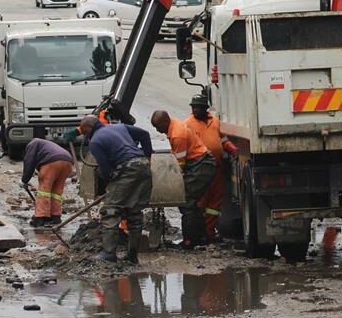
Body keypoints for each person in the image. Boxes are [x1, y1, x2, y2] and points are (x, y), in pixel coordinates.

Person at [79, 115, 152, 264]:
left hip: (127, 170)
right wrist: (148, 157)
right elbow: (145, 135)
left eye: (83, 131)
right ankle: (132, 255)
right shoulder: (119, 127)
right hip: (143, 167)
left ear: (88, 129)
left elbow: (105, 169)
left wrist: (110, 185)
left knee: (111, 210)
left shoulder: (95, 141)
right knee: (134, 212)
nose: (83, 134)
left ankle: (109, 254)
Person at [150, 110, 216, 248]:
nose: (158, 131)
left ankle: (189, 241)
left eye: (158, 127)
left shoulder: (177, 135)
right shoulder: (175, 125)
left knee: (185, 201)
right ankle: (202, 237)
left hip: (201, 165)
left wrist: (170, 185)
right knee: (192, 202)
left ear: (164, 122)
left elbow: (179, 166)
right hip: (199, 164)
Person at [185, 94, 238, 242]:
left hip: (217, 169)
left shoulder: (215, 122)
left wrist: (233, 150)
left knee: (215, 203)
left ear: (205, 109)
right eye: (193, 107)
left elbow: (223, 140)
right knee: (201, 201)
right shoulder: (188, 124)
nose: (195, 110)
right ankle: (199, 232)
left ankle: (209, 232)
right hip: (200, 170)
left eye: (198, 107)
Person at [21, 138, 74, 227]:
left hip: (52, 162)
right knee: (57, 192)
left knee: (44, 190)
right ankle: (55, 216)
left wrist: (24, 180)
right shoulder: (45, 145)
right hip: (68, 161)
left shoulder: (33, 144)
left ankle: (40, 218)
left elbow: (29, 163)